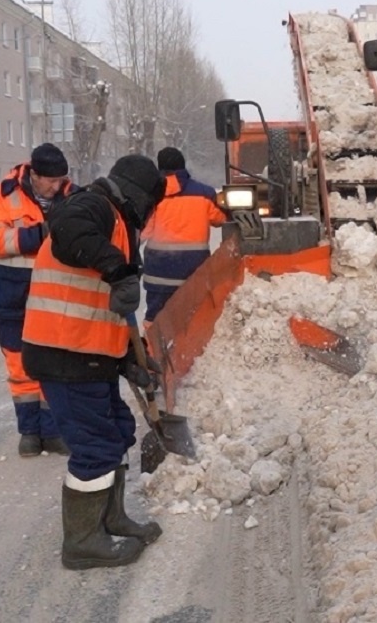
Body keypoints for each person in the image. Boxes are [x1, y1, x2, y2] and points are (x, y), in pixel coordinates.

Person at [21, 154, 166, 570]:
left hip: (90, 355)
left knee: (117, 431)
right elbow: (67, 230)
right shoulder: (94, 206)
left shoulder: (119, 223)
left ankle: (111, 518)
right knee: (95, 446)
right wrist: (118, 271)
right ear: (140, 196)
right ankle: (82, 543)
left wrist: (128, 358)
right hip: (64, 354)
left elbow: (104, 307)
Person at [0, 142, 74, 458]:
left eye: (61, 179)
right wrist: (41, 233)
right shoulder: (2, 194)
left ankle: (52, 432)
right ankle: (29, 433)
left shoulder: (71, 194)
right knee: (19, 365)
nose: (56, 186)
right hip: (11, 295)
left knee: (52, 364)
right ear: (33, 174)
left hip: (52, 296)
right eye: (50, 180)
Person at [139, 146, 227, 333]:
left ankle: (153, 353)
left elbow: (143, 233)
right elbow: (221, 219)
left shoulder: (152, 196)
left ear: (159, 168)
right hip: (193, 272)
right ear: (183, 166)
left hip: (158, 274)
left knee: (154, 317)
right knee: (194, 315)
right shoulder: (204, 194)